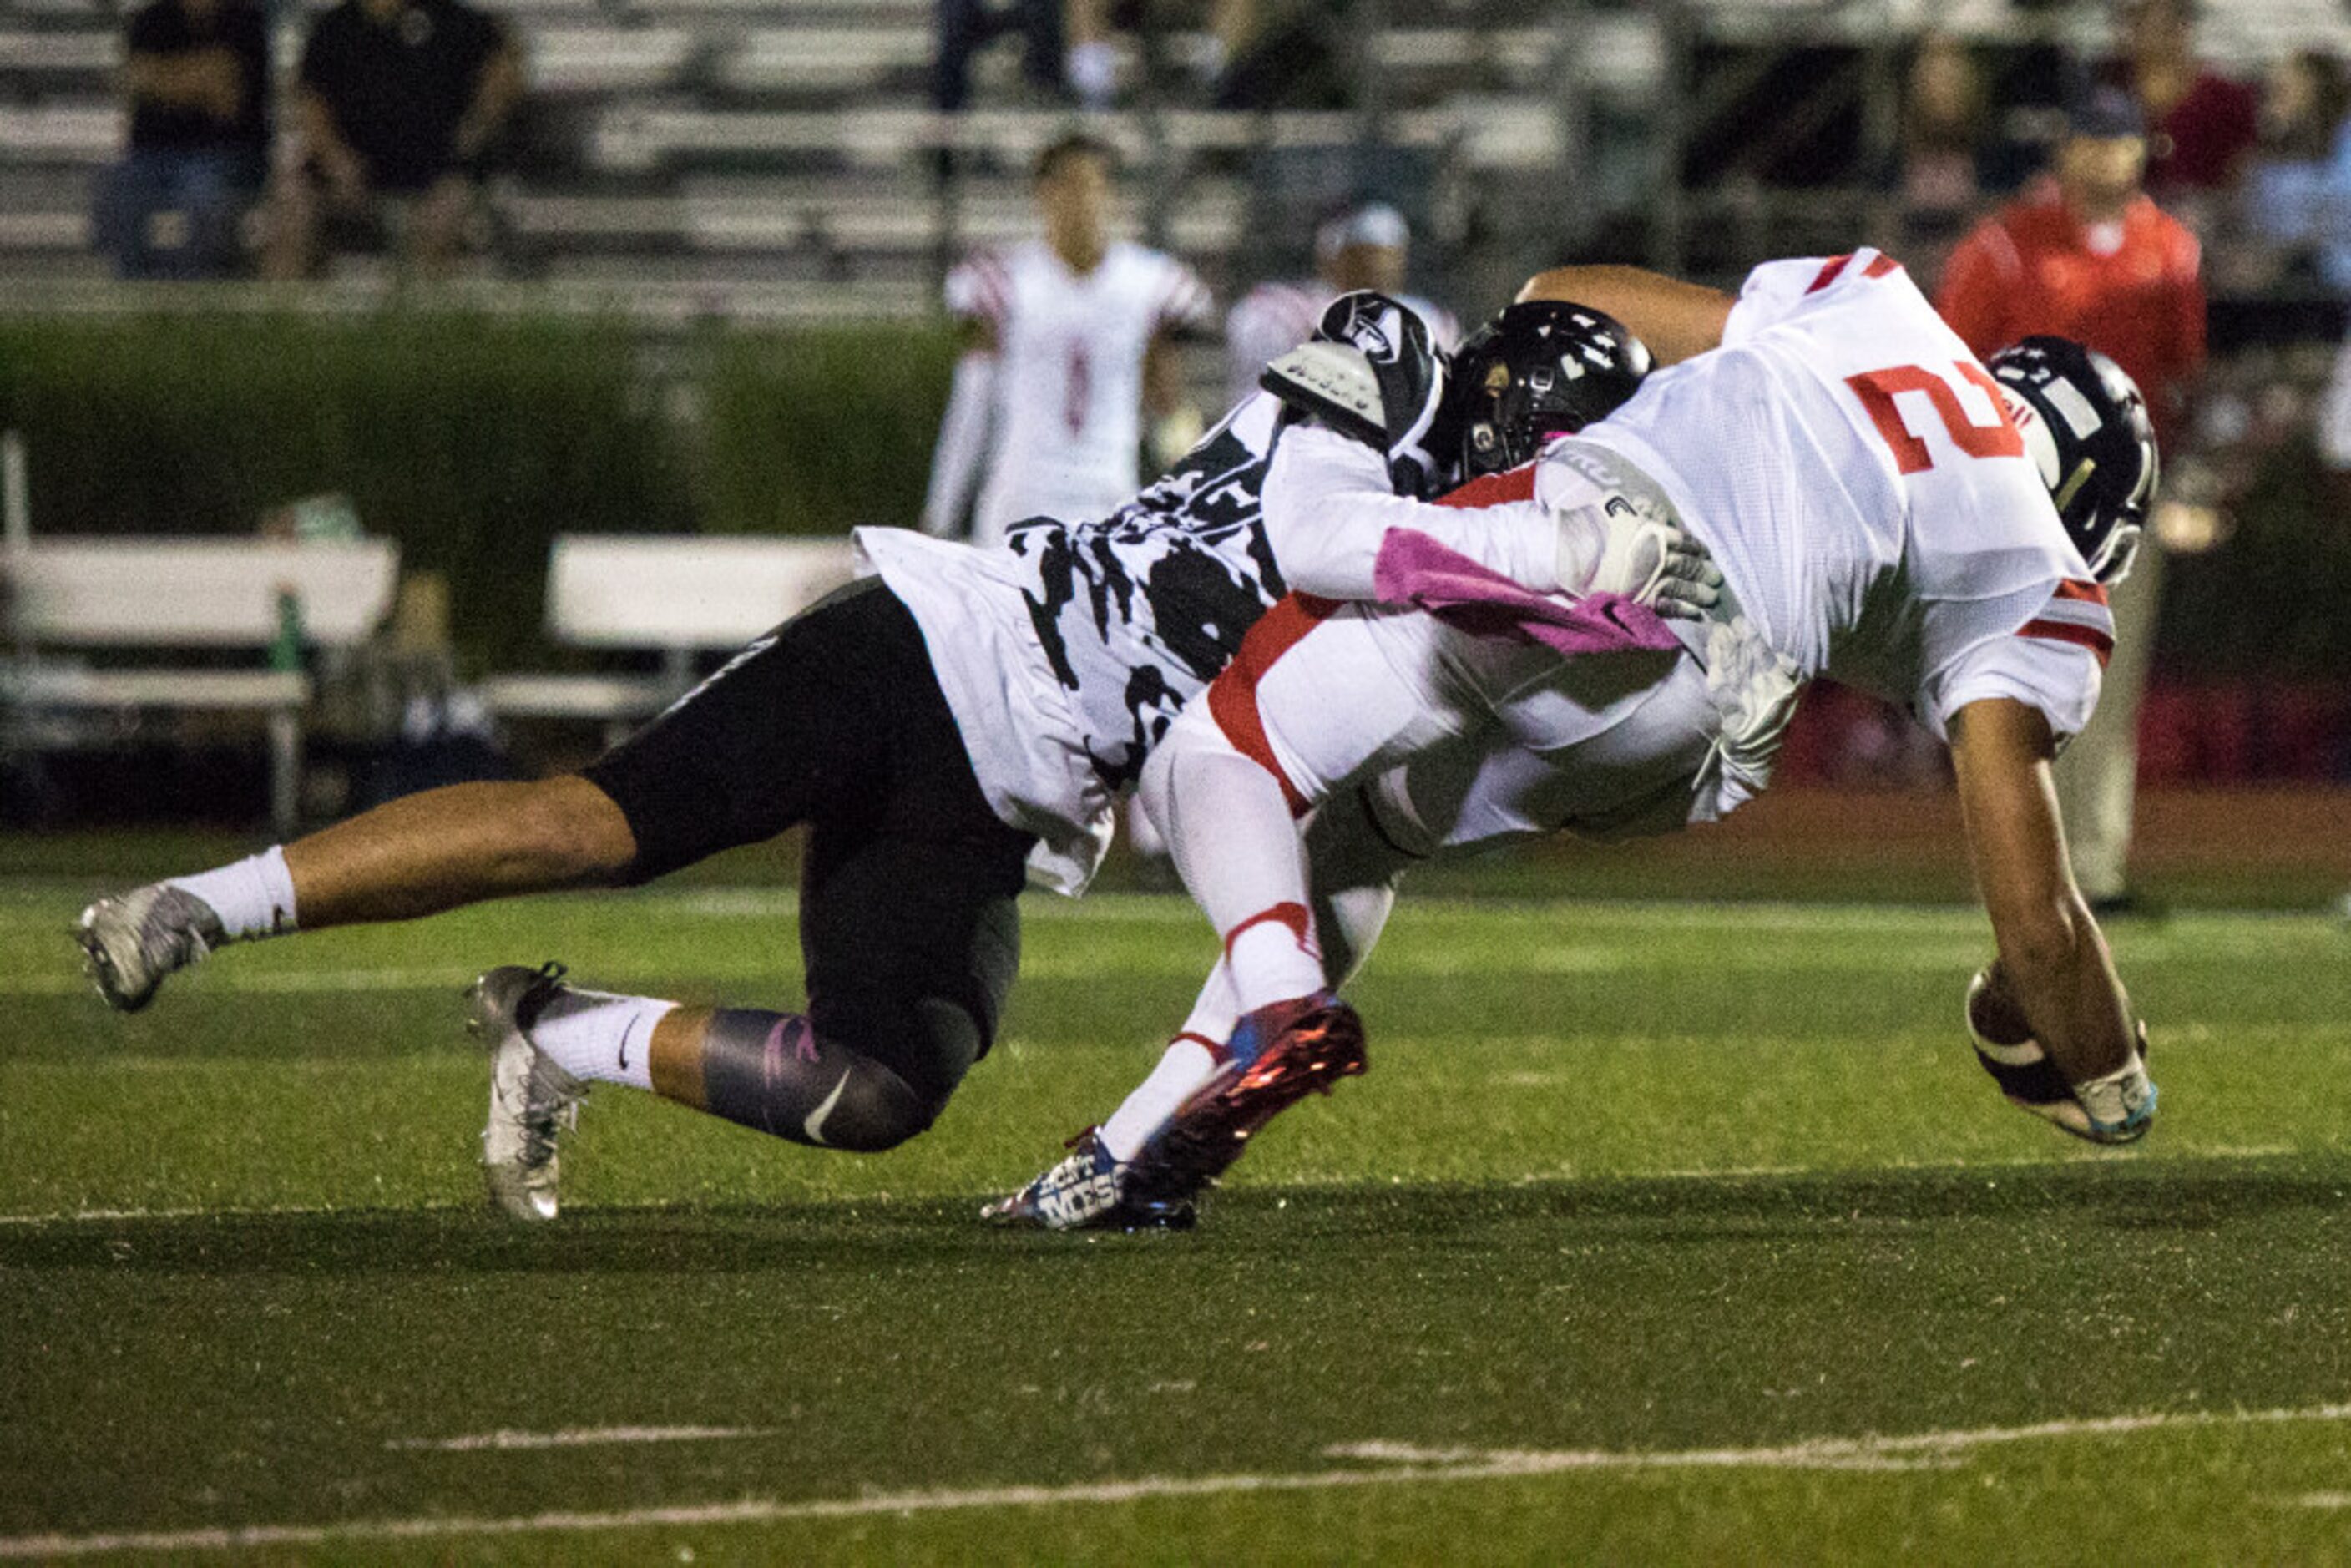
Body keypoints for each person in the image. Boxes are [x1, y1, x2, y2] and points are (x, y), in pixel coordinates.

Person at [74, 293, 1664, 1225]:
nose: (1546, 485)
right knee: (593, 822)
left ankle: (559, 1031)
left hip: (1013, 792)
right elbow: (1323, 527)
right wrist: (1538, 566)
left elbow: (1322, 855)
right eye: (1551, 452)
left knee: (883, 1084)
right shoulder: (1394, 359)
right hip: (941, 645)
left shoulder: (1452, 571)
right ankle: (201, 903)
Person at [989, 251, 2162, 1232]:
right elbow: (2040, 929)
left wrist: (1521, 405)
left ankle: (1274, 998)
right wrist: (2114, 1083)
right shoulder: (2035, 568)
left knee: (1231, 742)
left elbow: (1580, 294)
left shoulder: (1878, 301)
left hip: (1608, 540)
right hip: (1705, 730)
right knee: (1365, 838)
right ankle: (1126, 1157)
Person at [1935, 87, 2204, 916]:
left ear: (2137, 150)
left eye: (2115, 140)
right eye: (2087, 140)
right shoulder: (2005, 246)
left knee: (2105, 688)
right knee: (2009, 687)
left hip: (2124, 499)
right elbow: (1949, 367)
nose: (2101, 155)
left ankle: (2093, 868)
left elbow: (2180, 378)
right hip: (2017, 500)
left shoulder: (2167, 248)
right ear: (2062, 151)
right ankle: (2014, 869)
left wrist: (2185, 485)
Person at [921, 132, 1216, 547]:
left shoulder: (1147, 282)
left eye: (1096, 185)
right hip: (1020, 498)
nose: (1085, 200)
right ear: (1043, 194)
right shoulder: (1005, 281)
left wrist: (1197, 497)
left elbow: (1167, 403)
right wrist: (941, 514)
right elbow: (972, 405)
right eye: (1072, 185)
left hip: (1109, 498)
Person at [262, 0, 523, 280]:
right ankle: (284, 312)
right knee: (292, 209)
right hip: (352, 168)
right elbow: (311, 102)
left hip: (439, 170)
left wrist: (476, 130)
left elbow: (501, 69)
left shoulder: (452, 20)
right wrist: (337, 161)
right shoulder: (336, 28)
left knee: (442, 216)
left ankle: (424, 315)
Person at [92, 0, 270, 279]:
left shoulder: (246, 22)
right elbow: (135, 80)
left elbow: (228, 97)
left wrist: (161, 77)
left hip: (227, 156)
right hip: (153, 156)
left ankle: (197, 295)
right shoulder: (151, 20)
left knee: (201, 194)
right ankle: (135, 291)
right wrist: (200, 80)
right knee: (118, 186)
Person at [1225, 200, 1461, 409]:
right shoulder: (1284, 308)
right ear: (1332, 259)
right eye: (1364, 254)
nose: (1379, 266)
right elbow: (1260, 392)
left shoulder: (1429, 320)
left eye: (1389, 254)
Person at [2112, 0, 2257, 201]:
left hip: (2207, 218)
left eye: (2162, 26)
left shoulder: (2224, 98)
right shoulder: (2109, 90)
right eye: (2134, 21)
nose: (2144, 34)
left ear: (2184, 28)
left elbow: (2240, 173)